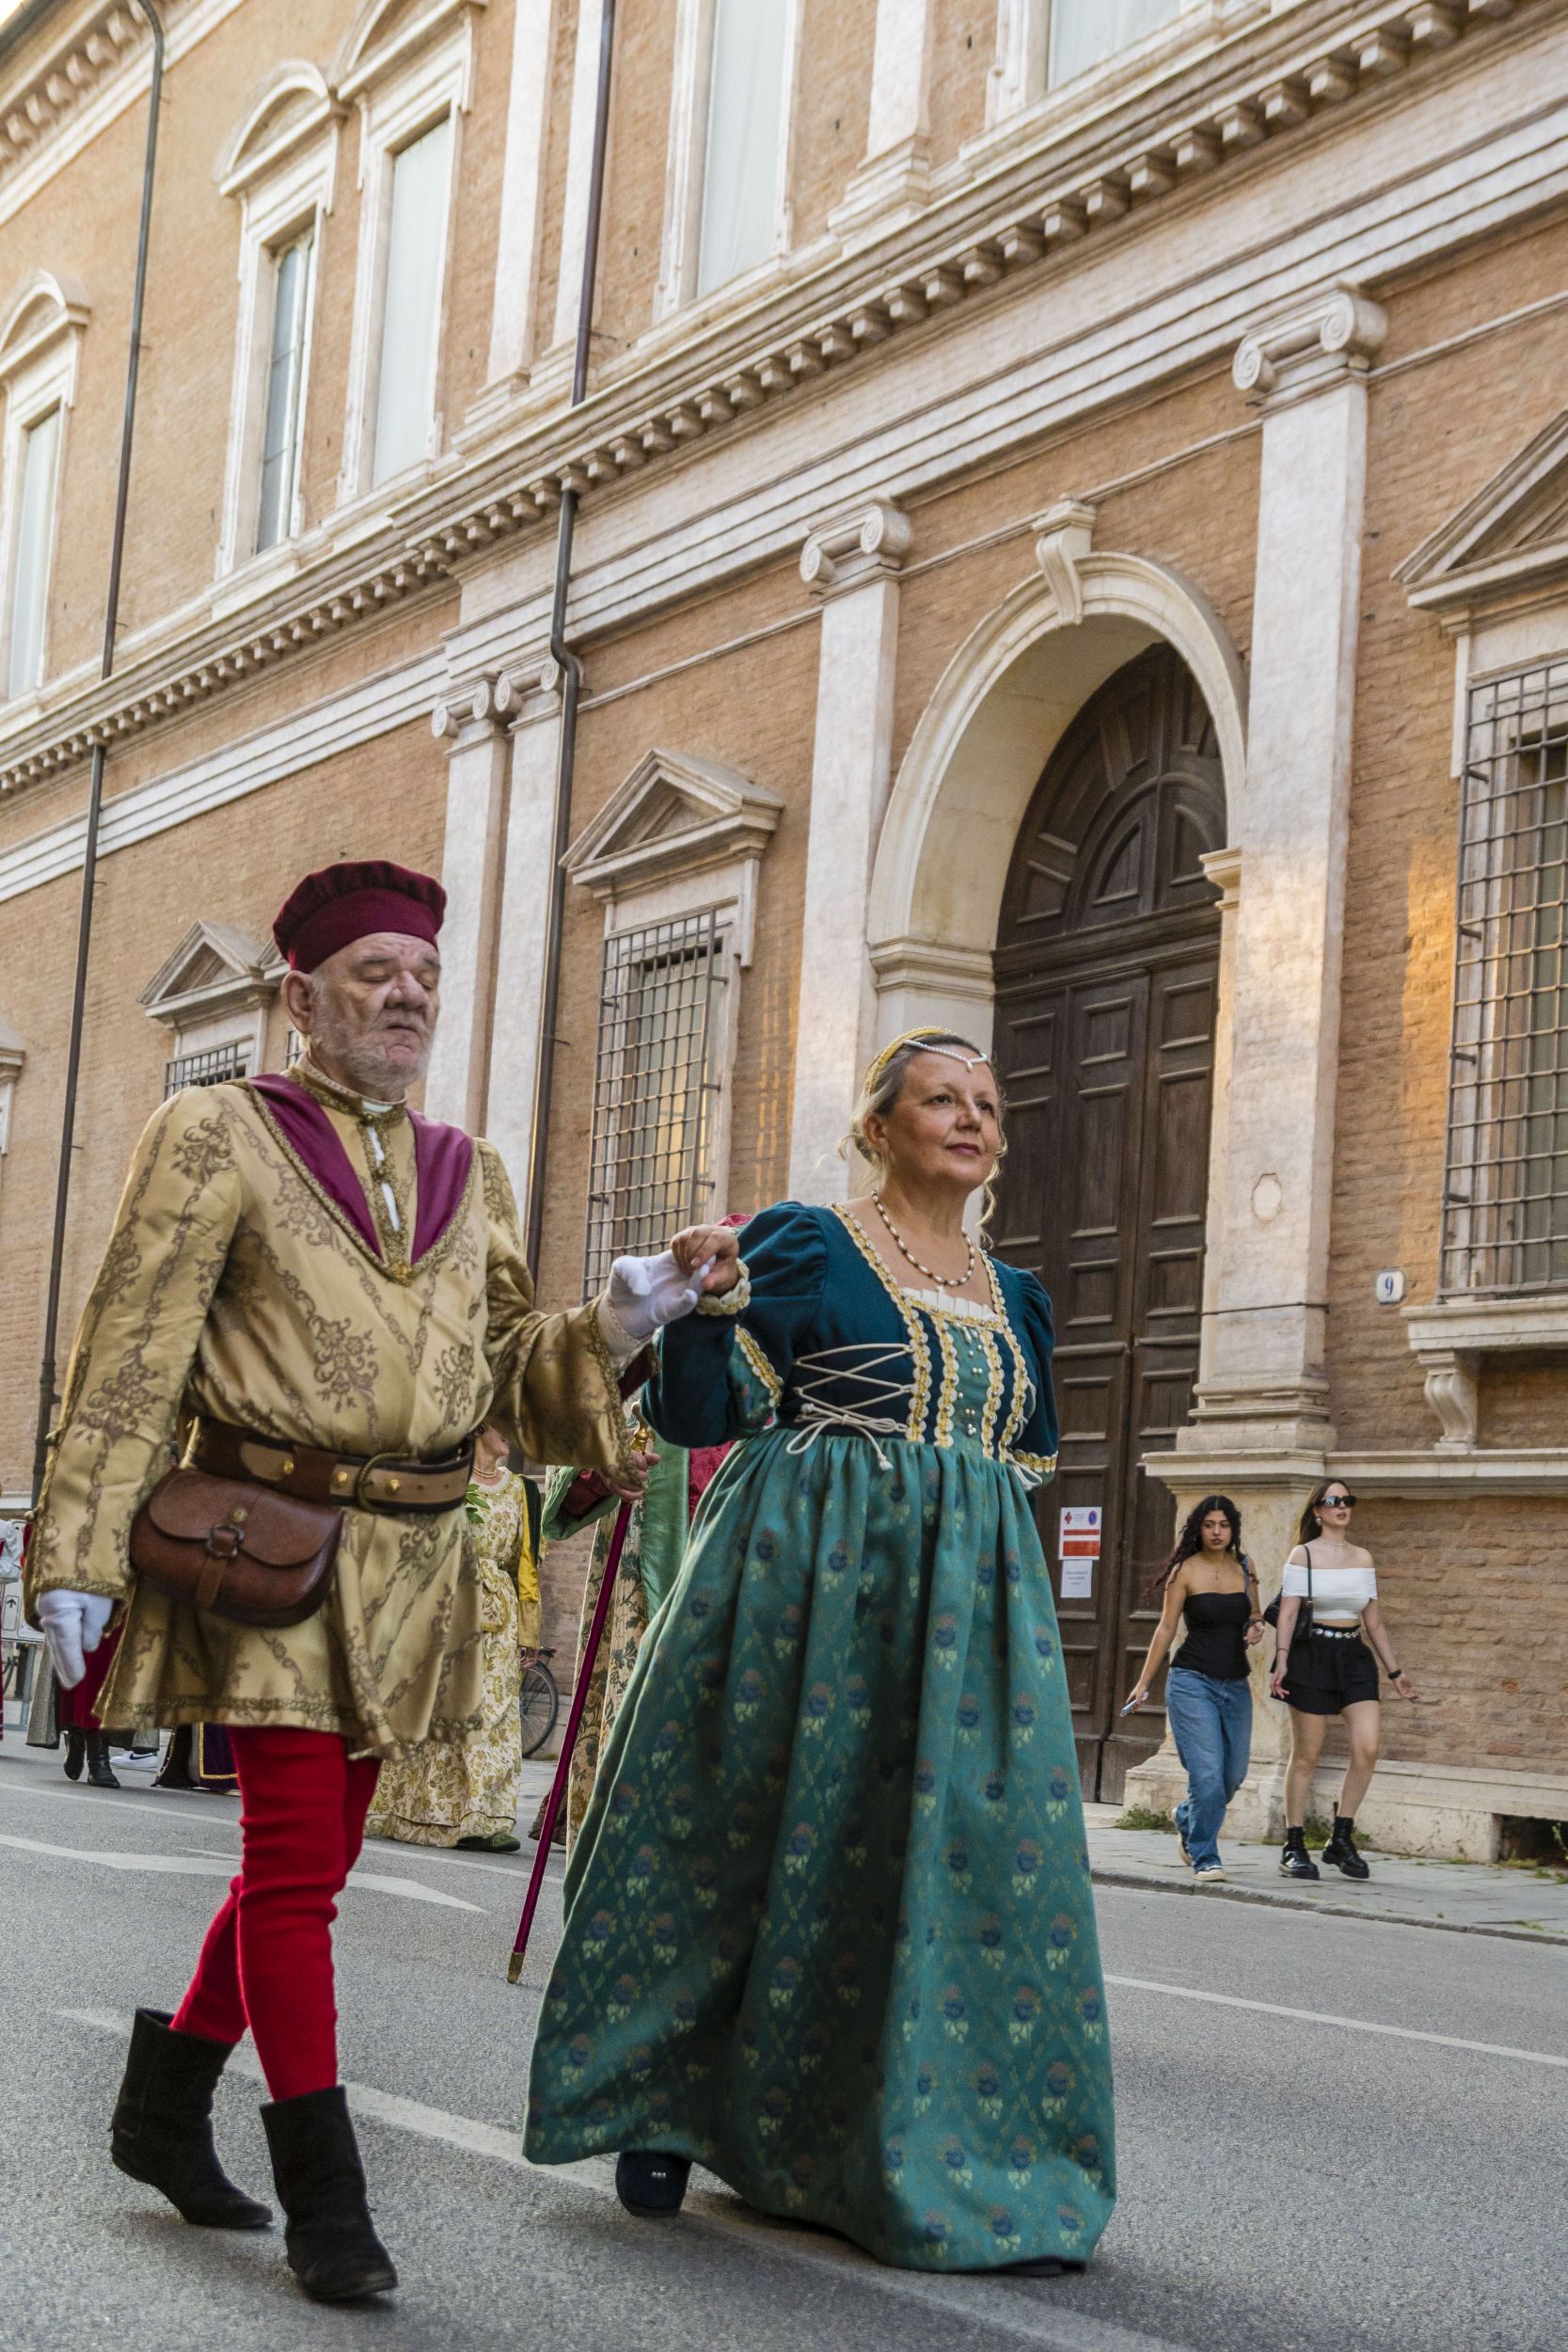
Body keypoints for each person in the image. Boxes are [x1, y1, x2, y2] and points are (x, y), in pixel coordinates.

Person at [24, 857, 739, 2306]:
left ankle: (163, 2114)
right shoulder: (211, 1127)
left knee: (321, 1863)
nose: (407, 997)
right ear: (301, 995)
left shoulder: (471, 1169)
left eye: (421, 977)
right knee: (294, 1871)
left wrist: (621, 1311)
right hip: (267, 1550)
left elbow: (504, 1376)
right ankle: (327, 2202)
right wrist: (76, 1544)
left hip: (409, 1569)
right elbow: (133, 1340)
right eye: (375, 975)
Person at [526, 1028, 1115, 2278]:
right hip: (800, 1581)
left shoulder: (1018, 1299)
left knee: (942, 1865)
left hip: (964, 1622)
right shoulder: (809, 1238)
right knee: (743, 1826)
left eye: (986, 1105)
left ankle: (930, 2139)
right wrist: (709, 1305)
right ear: (878, 1127)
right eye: (938, 1099)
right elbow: (703, 1415)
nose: (969, 1118)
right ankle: (663, 2111)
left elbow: (1020, 1462)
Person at [542, 1409, 732, 1848]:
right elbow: (572, 1423)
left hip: (745, 1560)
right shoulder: (637, 1349)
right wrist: (607, 1466)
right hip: (645, 1561)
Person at [368, 1424, 541, 1852]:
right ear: (480, 1426)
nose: (512, 1436)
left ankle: (483, 1817)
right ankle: (429, 1813)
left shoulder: (522, 1490)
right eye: (505, 1424)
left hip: (500, 1619)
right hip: (446, 1607)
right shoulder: (447, 1479)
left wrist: (530, 1628)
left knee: (494, 1716)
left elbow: (527, 1564)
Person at [1269, 1479, 1421, 1883]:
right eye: (1333, 1501)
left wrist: (1396, 1672)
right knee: (1306, 1755)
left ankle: (1341, 1837)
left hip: (1354, 1657)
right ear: (1317, 1511)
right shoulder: (1303, 1554)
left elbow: (1373, 1620)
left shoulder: (1363, 1557)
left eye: (1347, 1500)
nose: (1342, 1506)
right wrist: (1281, 1660)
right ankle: (1294, 1844)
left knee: (1367, 1748)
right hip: (1311, 1654)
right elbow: (1287, 1612)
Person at [1124, 1496, 1262, 1884]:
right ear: (1198, 1529)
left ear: (1233, 1528)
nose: (1217, 1532)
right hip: (1191, 1682)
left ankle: (1186, 1817)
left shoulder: (1246, 1567)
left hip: (1235, 1684)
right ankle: (1205, 1855)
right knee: (1207, 1776)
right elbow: (1166, 1629)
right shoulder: (1184, 1570)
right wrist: (1143, 1682)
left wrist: (1255, 1625)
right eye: (1209, 1525)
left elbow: (1252, 1613)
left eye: (1224, 1525)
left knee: (1232, 1776)